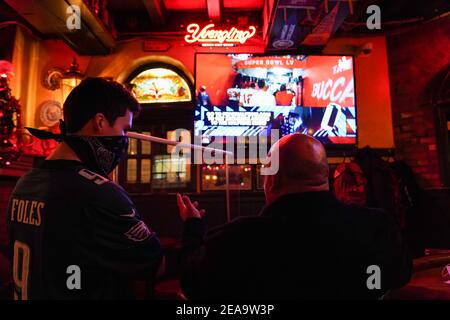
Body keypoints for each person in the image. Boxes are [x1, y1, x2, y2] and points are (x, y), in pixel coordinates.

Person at [177, 133, 412, 299]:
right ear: (325, 176)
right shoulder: (377, 227)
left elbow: (192, 283)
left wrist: (193, 225)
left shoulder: (238, 239)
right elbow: (397, 276)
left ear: (272, 180)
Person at [7, 78, 164, 299]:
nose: (125, 139)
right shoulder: (99, 193)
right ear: (100, 122)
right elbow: (155, 264)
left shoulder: (24, 184)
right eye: (124, 129)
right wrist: (193, 227)